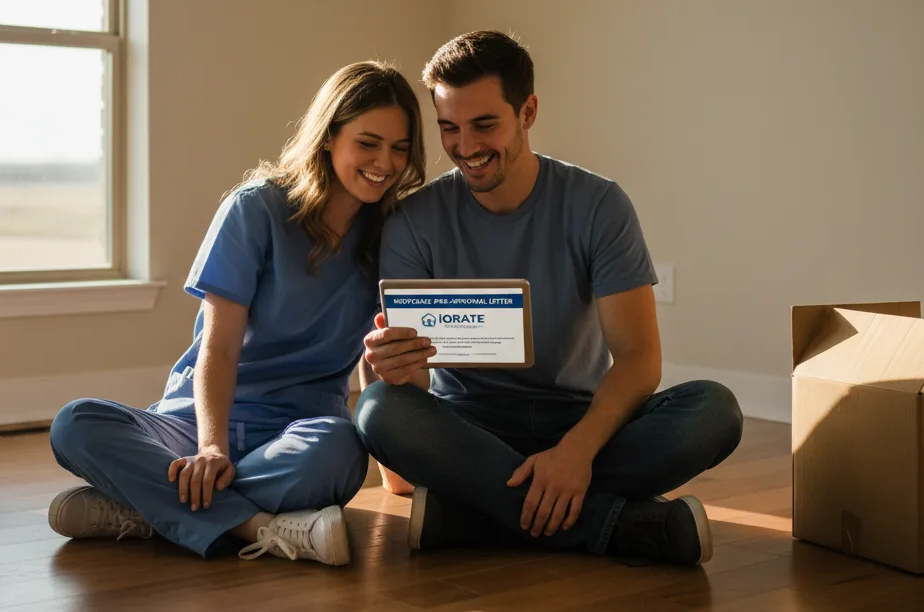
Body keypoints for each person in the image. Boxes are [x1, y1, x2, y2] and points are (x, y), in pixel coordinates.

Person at [355, 31, 743, 566]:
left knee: (714, 410)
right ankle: (613, 527)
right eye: (449, 128)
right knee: (378, 409)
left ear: (528, 111)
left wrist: (576, 452)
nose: (465, 148)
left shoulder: (599, 205)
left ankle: (476, 511)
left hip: (582, 421)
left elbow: (638, 358)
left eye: (484, 124)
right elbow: (415, 388)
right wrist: (389, 365)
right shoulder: (412, 222)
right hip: (469, 427)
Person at [46, 61, 426, 566]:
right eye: (369, 142)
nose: (386, 162)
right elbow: (218, 347)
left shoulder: (394, 233)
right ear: (329, 137)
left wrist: (397, 455)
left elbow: (379, 352)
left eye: (400, 148)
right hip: (197, 420)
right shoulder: (256, 209)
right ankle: (257, 526)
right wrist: (210, 448)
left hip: (300, 432)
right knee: (75, 423)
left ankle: (146, 508)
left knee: (340, 453)